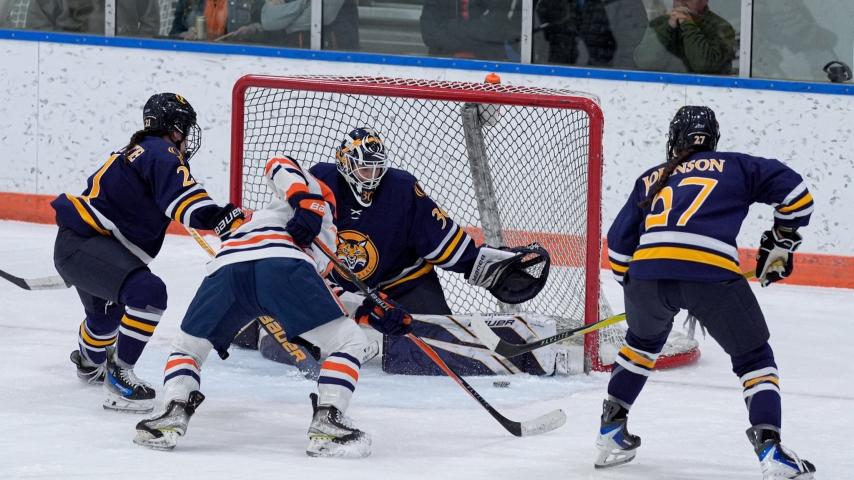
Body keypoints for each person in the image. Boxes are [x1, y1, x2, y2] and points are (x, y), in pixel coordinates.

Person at [132, 153, 411, 457]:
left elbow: (321, 292)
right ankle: (329, 422)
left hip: (228, 269)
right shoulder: (317, 197)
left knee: (187, 347)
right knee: (348, 340)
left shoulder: (265, 222)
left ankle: (172, 410)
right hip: (283, 267)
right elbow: (279, 163)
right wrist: (307, 201)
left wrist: (371, 311)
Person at [596, 106, 816, 479]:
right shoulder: (738, 165)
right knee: (754, 357)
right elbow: (796, 195)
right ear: (713, 139)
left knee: (640, 344)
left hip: (647, 275)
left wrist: (637, 290)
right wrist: (783, 240)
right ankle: (771, 451)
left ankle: (610, 432)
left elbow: (618, 246)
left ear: (674, 140)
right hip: (710, 273)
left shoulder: (651, 178)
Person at [241, 127, 553, 377]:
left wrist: (482, 266)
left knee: (431, 340)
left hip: (402, 282)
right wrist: (302, 209)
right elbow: (280, 168)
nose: (372, 177)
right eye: (365, 169)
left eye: (377, 168)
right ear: (345, 164)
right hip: (336, 287)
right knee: (289, 342)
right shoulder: (320, 181)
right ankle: (249, 320)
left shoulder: (401, 189)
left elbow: (441, 237)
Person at [51, 93, 245, 413]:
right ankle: (119, 378)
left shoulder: (140, 150)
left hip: (86, 246)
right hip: (88, 246)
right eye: (184, 127)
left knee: (105, 320)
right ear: (173, 127)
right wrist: (218, 217)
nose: (186, 136)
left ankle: (88, 361)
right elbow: (183, 198)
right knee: (148, 294)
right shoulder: (161, 151)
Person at [633, 0, 735, 74]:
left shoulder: (721, 27)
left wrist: (687, 24)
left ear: (704, 1)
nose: (681, 2)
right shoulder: (660, 23)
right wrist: (668, 26)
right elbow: (644, 62)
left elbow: (703, 65)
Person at [420, 0, 523, 61]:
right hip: (441, 66)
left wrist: (452, 28)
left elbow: (497, 29)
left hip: (490, 68)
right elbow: (429, 34)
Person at [535, 0, 616, 66]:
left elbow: (605, 46)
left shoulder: (594, 6)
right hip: (559, 62)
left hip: (593, 70)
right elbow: (541, 10)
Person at [259, 0, 358, 49]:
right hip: (287, 53)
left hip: (334, 56)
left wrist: (285, 19)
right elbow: (269, 20)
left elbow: (321, 15)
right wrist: (305, 2)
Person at [26, 0, 159, 36]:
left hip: (123, 62)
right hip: (66, 60)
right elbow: (38, 26)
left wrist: (134, 52)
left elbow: (150, 23)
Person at [170, 0, 264, 42]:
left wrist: (252, 29)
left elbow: (265, 30)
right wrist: (184, 35)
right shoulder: (189, 1)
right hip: (195, 57)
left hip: (237, 58)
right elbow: (174, 33)